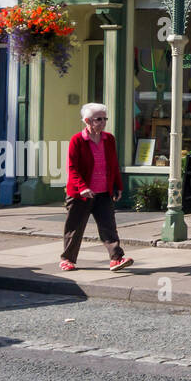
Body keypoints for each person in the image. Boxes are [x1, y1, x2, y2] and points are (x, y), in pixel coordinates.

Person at [60, 103, 132, 272]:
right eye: (98, 119)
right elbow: (72, 168)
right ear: (87, 121)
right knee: (75, 228)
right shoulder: (77, 140)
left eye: (104, 118)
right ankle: (67, 259)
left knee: (108, 226)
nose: (103, 122)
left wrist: (118, 186)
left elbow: (113, 164)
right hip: (81, 194)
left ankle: (116, 258)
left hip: (103, 192)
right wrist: (82, 187)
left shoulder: (109, 139)